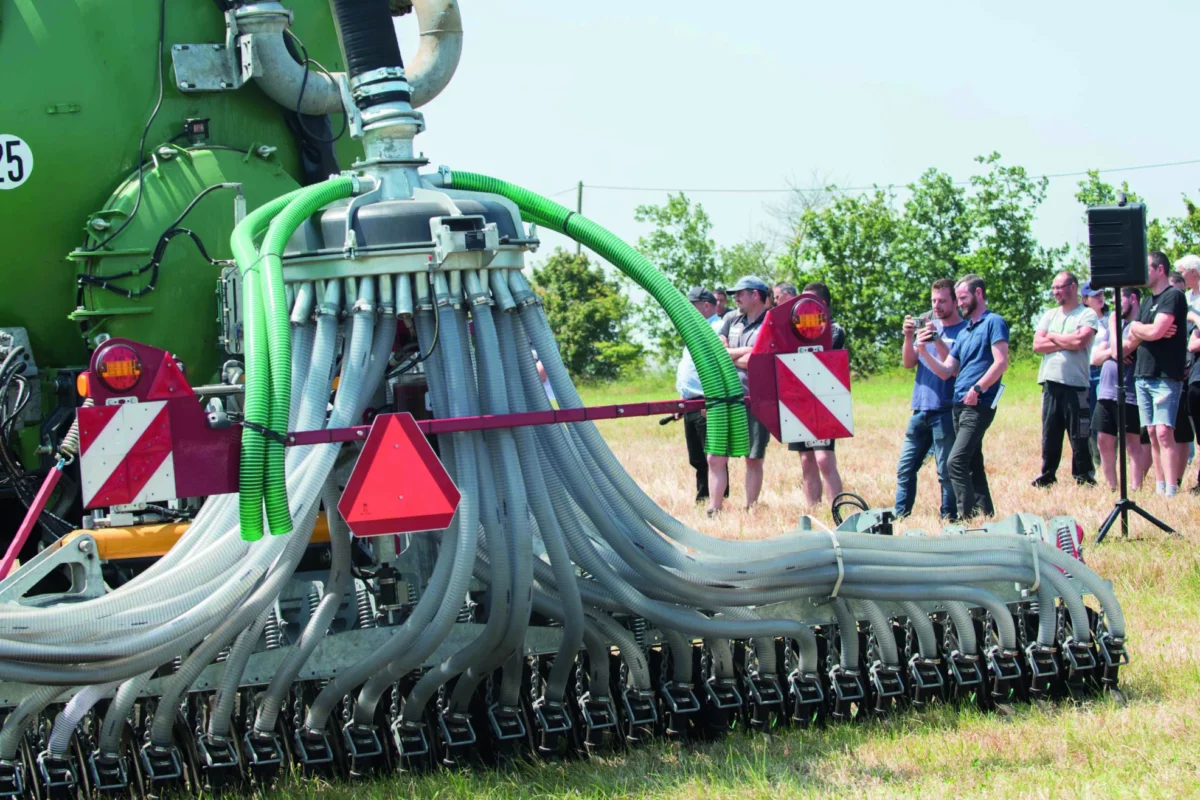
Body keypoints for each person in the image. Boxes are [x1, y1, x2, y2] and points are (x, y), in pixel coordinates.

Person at [922, 274, 1009, 519]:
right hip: (958, 405)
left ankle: (965, 518)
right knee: (971, 464)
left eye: (962, 298)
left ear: (978, 293)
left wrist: (978, 389)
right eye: (958, 299)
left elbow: (1001, 362)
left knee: (955, 463)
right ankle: (986, 515)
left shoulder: (994, 322)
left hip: (977, 403)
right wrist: (923, 350)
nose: (959, 303)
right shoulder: (966, 332)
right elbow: (947, 370)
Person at [894, 278, 966, 520]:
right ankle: (900, 515)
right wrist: (908, 337)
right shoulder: (927, 326)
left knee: (945, 471)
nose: (937, 306)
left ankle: (949, 517)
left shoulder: (964, 331)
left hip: (945, 409)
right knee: (905, 467)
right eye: (934, 300)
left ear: (955, 302)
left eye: (943, 301)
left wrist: (936, 340)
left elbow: (954, 368)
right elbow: (908, 362)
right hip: (920, 407)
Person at [1125, 251, 1189, 497]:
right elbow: (1135, 334)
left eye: (1147, 268)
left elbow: (1156, 332)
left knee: (1164, 431)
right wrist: (1142, 328)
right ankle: (1160, 488)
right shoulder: (1147, 302)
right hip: (1143, 374)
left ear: (1159, 269)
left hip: (1165, 375)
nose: (1143, 274)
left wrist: (1144, 330)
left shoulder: (1173, 296)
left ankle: (1172, 489)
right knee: (1151, 432)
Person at [707, 276, 772, 514]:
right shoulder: (730, 319)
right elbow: (716, 354)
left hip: (756, 399)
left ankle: (750, 508)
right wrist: (745, 353)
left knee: (753, 458)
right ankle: (714, 509)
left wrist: (730, 354)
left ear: (755, 294)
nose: (736, 298)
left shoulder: (770, 322)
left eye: (740, 293)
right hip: (724, 397)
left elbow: (761, 361)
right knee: (715, 456)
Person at [1031, 271, 1099, 487]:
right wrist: (1065, 342)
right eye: (1053, 288)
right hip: (1051, 382)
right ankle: (1047, 475)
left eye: (1059, 287)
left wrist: (1052, 337)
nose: (1055, 292)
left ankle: (1084, 476)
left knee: (1079, 434)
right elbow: (1037, 345)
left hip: (1076, 385)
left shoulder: (1086, 315)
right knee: (1050, 432)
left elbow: (1080, 341)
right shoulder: (1050, 315)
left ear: (1073, 287)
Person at [788, 281, 846, 507]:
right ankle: (813, 511)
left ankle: (836, 510)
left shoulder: (833, 329)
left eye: (810, 302)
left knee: (823, 459)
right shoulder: (794, 331)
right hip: (798, 399)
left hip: (824, 401)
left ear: (824, 305)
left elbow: (817, 354)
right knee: (806, 460)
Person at [1092, 287, 1148, 490]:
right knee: (1103, 440)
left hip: (1129, 391)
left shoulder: (1138, 325)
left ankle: (1136, 488)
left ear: (1133, 298)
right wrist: (1110, 351)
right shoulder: (1116, 325)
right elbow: (1096, 358)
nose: (1114, 308)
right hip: (1105, 391)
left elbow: (1117, 351)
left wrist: (1113, 326)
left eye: (1118, 301)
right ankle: (1112, 487)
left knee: (1132, 443)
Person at [675, 287, 726, 503]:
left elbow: (720, 366)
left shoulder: (717, 327)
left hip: (706, 400)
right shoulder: (695, 329)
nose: (688, 309)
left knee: (712, 454)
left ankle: (714, 497)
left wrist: (710, 396)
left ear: (706, 305)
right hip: (690, 400)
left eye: (692, 304)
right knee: (696, 455)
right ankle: (703, 495)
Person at [1080, 281, 1107, 465]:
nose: (1100, 297)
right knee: (1087, 419)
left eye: (1101, 294)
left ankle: (1106, 459)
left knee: (1103, 418)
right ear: (1085, 300)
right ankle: (1094, 460)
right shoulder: (1080, 319)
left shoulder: (1111, 318)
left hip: (1104, 372)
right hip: (1085, 372)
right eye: (1095, 295)